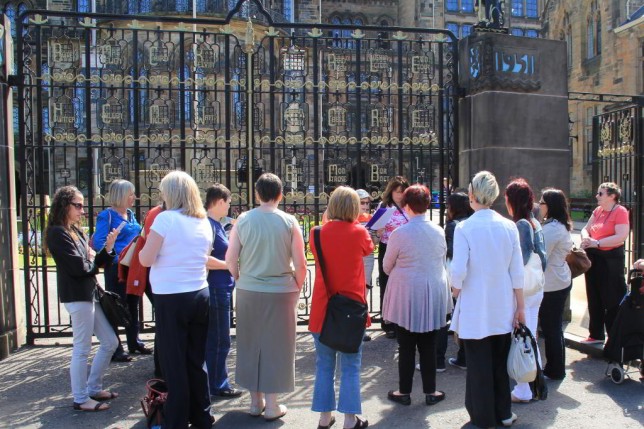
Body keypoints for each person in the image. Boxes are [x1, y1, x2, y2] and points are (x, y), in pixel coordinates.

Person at [226, 173, 307, 421]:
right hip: (281, 289)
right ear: (280, 195)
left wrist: (241, 278)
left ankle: (255, 402)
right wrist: (297, 284)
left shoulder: (243, 220)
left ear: (257, 194)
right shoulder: (289, 221)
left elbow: (231, 259)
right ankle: (272, 404)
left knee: (250, 343)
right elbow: (301, 263)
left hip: (249, 289)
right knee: (278, 346)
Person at [450, 171, 525, 428]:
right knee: (499, 363)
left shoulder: (464, 227)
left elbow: (458, 270)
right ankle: (503, 412)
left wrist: (455, 290)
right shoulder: (509, 226)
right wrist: (521, 307)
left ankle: (482, 416)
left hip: (474, 304)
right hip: (503, 302)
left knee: (478, 364)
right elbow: (517, 271)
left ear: (472, 194)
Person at [139, 171, 214, 429]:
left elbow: (145, 260)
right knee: (195, 359)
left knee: (174, 362)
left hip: (171, 297)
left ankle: (177, 420)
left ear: (171, 194)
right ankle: (202, 416)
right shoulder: (203, 221)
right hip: (200, 293)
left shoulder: (165, 219)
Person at [45, 186, 120, 412]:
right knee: (82, 348)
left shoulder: (75, 231)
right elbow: (79, 267)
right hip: (77, 296)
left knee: (110, 342)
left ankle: (93, 388)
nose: (82, 210)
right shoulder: (57, 233)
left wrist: (108, 248)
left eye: (82, 205)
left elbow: (94, 262)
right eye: (77, 205)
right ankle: (81, 398)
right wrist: (93, 262)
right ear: (64, 205)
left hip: (89, 293)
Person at [309, 186, 373, 429]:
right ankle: (349, 419)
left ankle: (325, 418)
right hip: (350, 312)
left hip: (322, 311)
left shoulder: (316, 233)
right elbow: (368, 249)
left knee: (324, 365)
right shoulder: (359, 233)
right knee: (350, 366)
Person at [383, 185, 450, 407]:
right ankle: (430, 391)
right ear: (427, 204)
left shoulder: (399, 233)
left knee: (406, 346)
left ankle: (404, 391)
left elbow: (386, 266)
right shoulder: (438, 230)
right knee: (428, 345)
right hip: (431, 292)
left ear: (406, 205)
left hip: (406, 293)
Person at [92, 179, 149, 362]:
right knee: (116, 306)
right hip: (116, 267)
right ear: (121, 195)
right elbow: (99, 242)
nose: (134, 197)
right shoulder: (107, 216)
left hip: (133, 267)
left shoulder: (131, 214)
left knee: (133, 303)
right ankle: (116, 347)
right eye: (130, 194)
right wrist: (118, 257)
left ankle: (134, 341)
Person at [505, 178, 547, 404]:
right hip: (536, 287)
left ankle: (524, 389)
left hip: (524, 290)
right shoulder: (535, 222)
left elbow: (518, 263)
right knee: (530, 334)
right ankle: (535, 381)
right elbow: (543, 258)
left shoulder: (521, 225)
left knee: (523, 338)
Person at [204, 184, 242, 399]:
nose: (229, 206)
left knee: (218, 338)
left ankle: (215, 381)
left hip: (222, 288)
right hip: (216, 288)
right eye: (228, 203)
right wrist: (229, 264)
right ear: (219, 201)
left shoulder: (216, 224)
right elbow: (204, 259)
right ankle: (218, 384)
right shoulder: (208, 225)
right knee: (220, 339)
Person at [580, 182, 630, 344]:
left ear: (612, 196)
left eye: (600, 194)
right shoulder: (598, 210)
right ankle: (596, 334)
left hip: (610, 259)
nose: (597, 196)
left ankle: (614, 336)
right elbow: (585, 228)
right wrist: (586, 238)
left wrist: (598, 243)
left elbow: (621, 236)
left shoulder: (620, 211)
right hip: (594, 257)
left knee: (612, 297)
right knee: (594, 295)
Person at [537, 188, 574, 380]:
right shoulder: (556, 225)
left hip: (553, 284)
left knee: (552, 328)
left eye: (542, 203)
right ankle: (555, 366)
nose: (539, 206)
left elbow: (541, 257)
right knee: (553, 327)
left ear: (549, 206)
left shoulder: (552, 229)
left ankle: (555, 368)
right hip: (557, 281)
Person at [437, 191, 473, 371]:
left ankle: (438, 359)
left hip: (453, 273)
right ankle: (464, 357)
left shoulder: (452, 226)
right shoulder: (472, 222)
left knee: (444, 317)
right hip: (471, 274)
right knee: (465, 316)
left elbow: (450, 251)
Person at [377, 176, 410, 338]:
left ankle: (401, 321)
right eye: (397, 192)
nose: (400, 195)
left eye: (402, 191)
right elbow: (375, 229)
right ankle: (388, 322)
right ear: (391, 191)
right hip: (387, 247)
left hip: (405, 250)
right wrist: (378, 231)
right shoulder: (384, 206)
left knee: (404, 286)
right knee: (386, 284)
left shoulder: (410, 206)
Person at [356, 188, 377, 342]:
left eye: (367, 202)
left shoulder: (371, 218)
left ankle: (361, 329)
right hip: (354, 257)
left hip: (367, 257)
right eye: (362, 202)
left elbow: (375, 242)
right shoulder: (348, 217)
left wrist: (379, 234)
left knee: (364, 292)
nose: (365, 205)